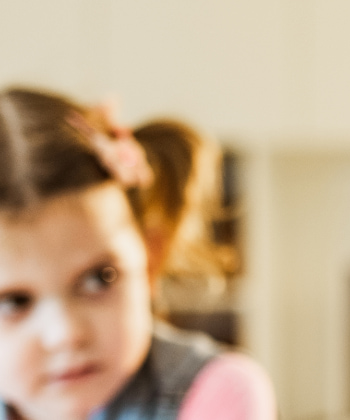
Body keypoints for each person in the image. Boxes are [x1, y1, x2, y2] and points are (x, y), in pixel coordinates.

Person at [0, 87, 274, 420]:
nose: (66, 334)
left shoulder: (214, 395)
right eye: (13, 302)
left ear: (150, 257)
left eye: (100, 278)